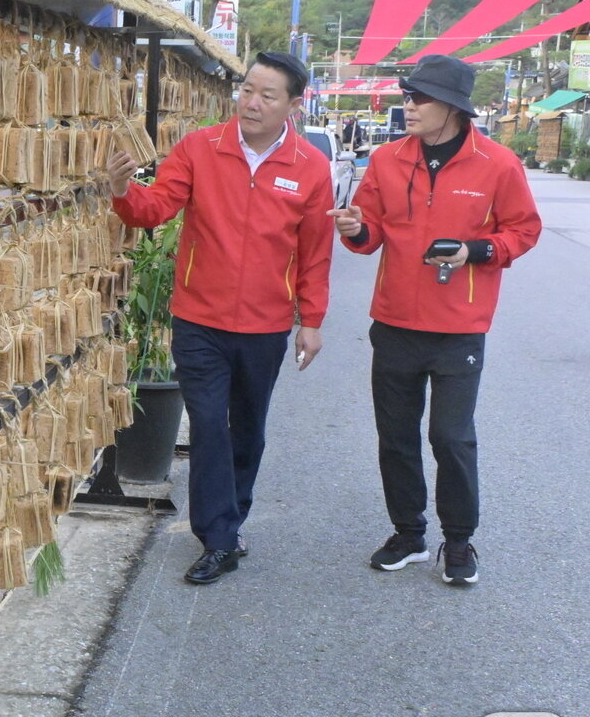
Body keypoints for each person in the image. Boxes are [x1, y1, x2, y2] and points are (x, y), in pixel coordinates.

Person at [106, 51, 335, 585]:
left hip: (265, 325)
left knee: (248, 431)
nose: (251, 103)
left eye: (267, 95)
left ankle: (231, 520)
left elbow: (315, 252)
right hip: (199, 320)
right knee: (209, 426)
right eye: (247, 90)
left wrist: (312, 320)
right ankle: (219, 539)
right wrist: (122, 191)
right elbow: (155, 208)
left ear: (293, 106)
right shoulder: (200, 147)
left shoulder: (310, 167)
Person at [329, 54, 541, 585]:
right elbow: (370, 233)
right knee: (396, 436)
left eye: (420, 98)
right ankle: (409, 533)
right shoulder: (386, 159)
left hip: (459, 328)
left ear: (451, 107)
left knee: (451, 437)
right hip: (394, 322)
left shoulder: (498, 163)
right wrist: (354, 228)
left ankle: (460, 540)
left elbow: (524, 230)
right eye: (408, 96)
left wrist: (476, 250)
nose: (410, 106)